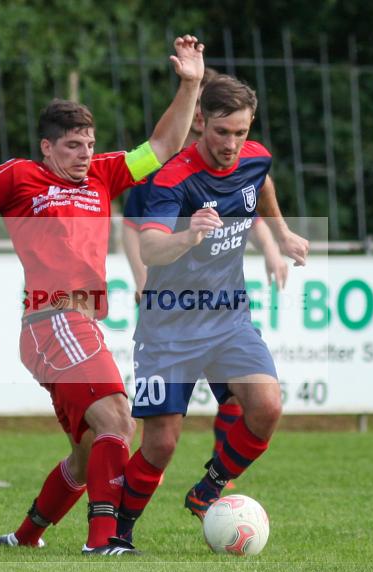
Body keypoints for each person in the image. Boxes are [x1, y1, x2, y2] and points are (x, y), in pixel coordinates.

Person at [0, 35, 205, 555]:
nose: (84, 155)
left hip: (78, 325)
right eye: (73, 146)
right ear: (47, 147)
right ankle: (103, 541)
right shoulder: (19, 177)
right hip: (51, 319)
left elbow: (165, 146)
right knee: (118, 420)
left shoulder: (103, 174)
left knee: (88, 452)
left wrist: (189, 82)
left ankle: (25, 536)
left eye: (89, 143)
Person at [114, 75, 309, 543]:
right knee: (160, 444)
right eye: (223, 133)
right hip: (170, 326)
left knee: (267, 407)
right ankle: (118, 535)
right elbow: (151, 250)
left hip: (227, 319)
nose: (232, 144)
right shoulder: (172, 177)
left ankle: (209, 488)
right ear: (201, 123)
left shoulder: (254, 157)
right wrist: (189, 235)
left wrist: (279, 235)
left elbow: (261, 184)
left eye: (241, 132)